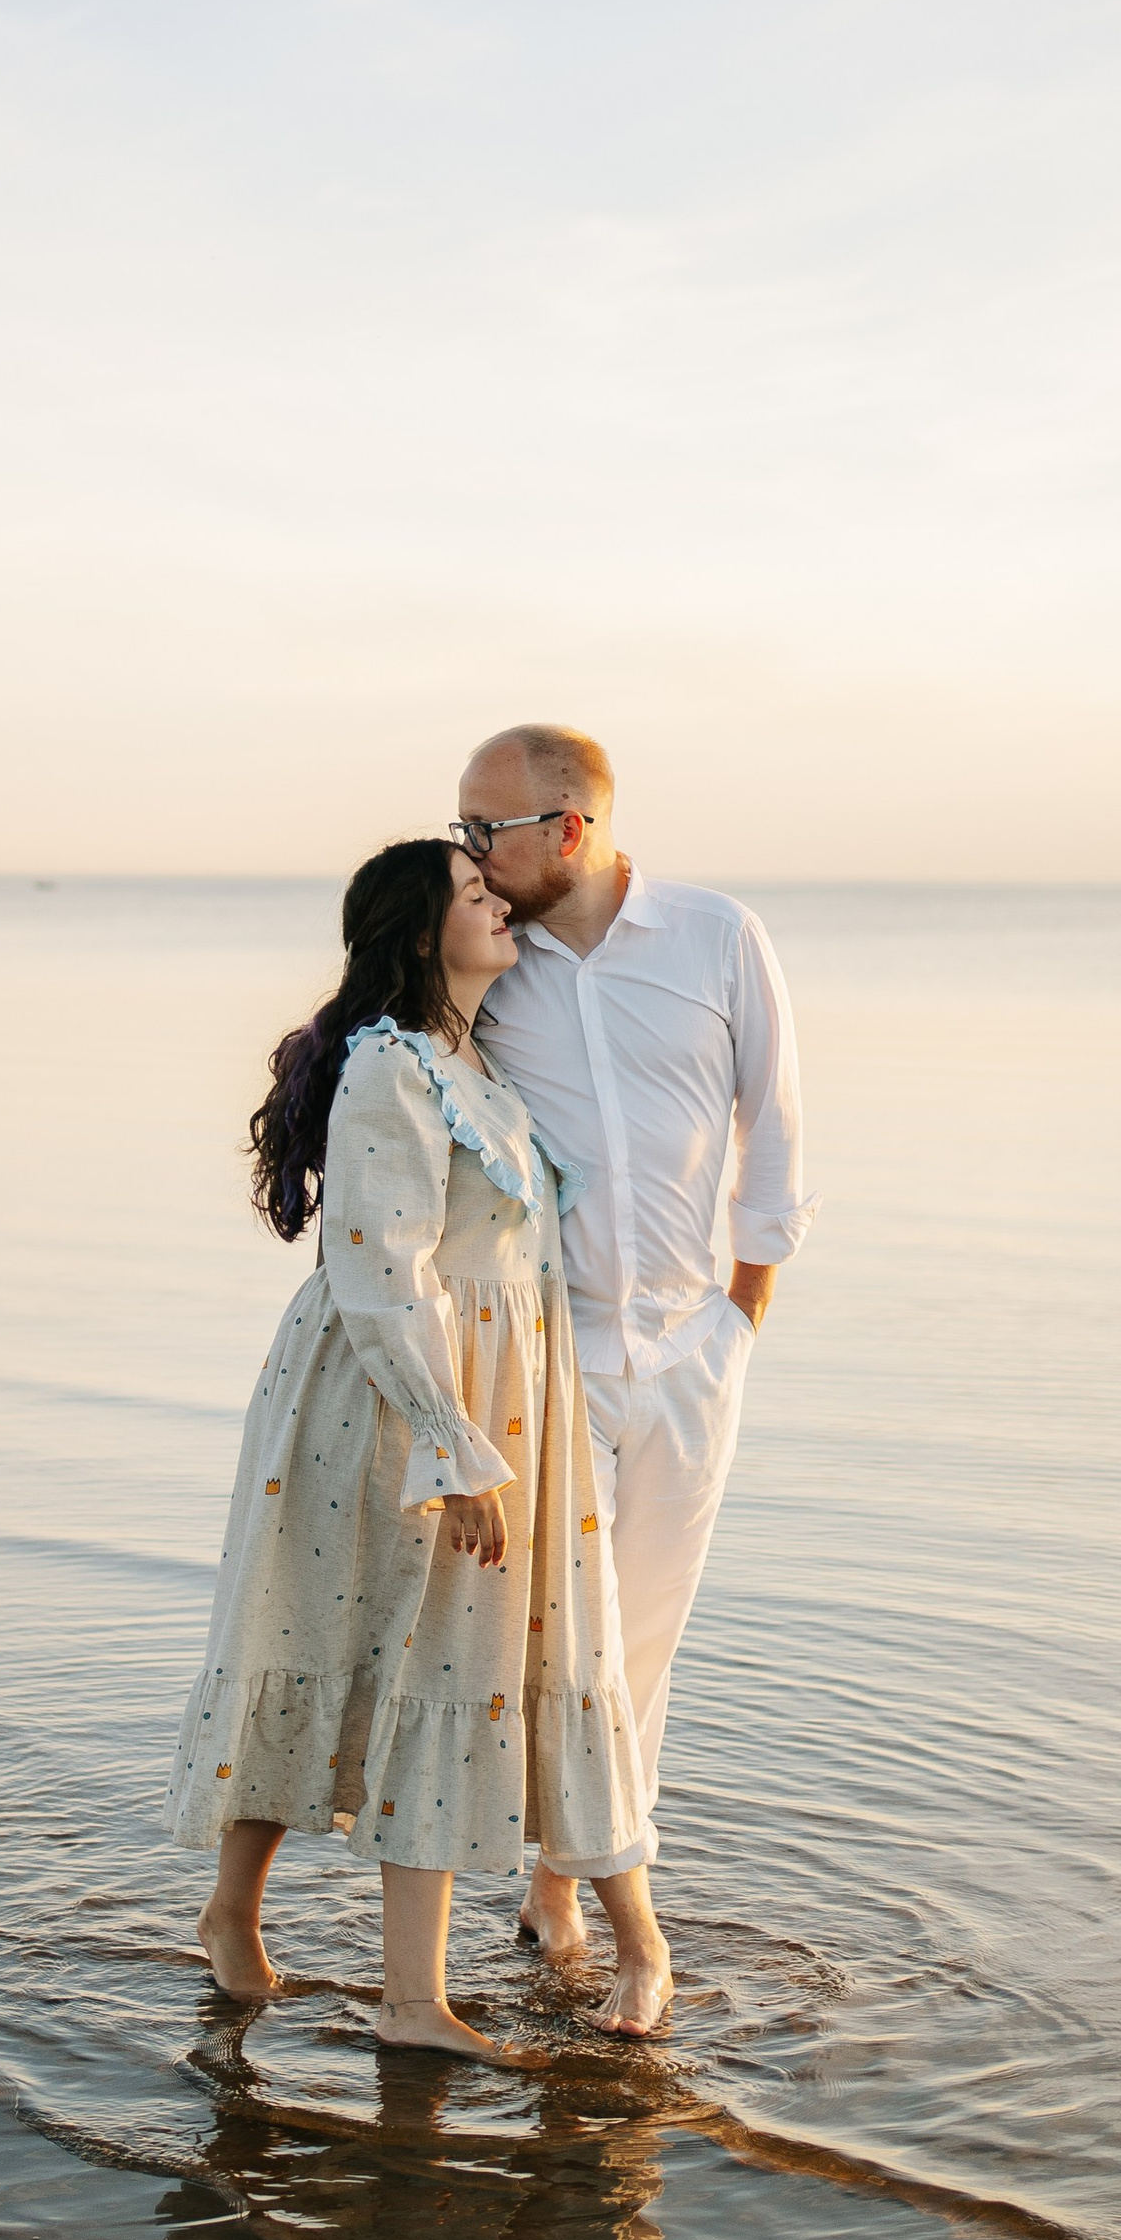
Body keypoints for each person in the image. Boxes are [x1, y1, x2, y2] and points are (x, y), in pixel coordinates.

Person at [167, 837, 673, 2048]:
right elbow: (383, 1272)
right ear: (415, 930)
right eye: (473, 895)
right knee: (379, 1648)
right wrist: (452, 1447)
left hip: (499, 1393)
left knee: (401, 1654)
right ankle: (387, 1992)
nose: (500, 906)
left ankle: (291, 1942)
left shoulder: (472, 1060)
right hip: (398, 1395)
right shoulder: (390, 1068)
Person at [456, 725, 815, 1969]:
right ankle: (627, 1925)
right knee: (576, 1639)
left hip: (691, 1354)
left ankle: (561, 1883)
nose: (468, 853)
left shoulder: (718, 937)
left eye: (483, 829)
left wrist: (743, 1310)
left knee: (644, 1639)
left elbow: (773, 1123)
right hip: (548, 1360)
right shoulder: (484, 958)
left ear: (567, 828)